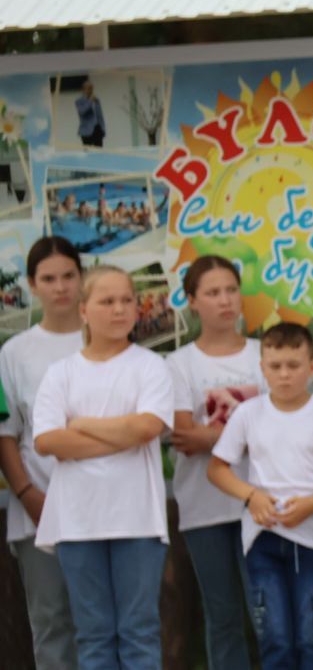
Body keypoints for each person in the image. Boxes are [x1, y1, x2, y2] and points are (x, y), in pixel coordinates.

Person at [33, 265, 174, 669]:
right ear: (83, 310)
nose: (119, 309)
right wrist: (120, 434)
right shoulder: (61, 373)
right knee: (93, 634)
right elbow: (48, 441)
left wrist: (82, 426)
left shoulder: (150, 366)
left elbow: (147, 427)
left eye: (127, 300)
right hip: (77, 520)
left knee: (139, 632)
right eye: (107, 301)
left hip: (138, 519)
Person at [208, 323, 313, 670]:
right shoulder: (248, 413)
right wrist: (252, 496)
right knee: (276, 639)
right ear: (262, 368)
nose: (284, 374)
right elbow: (217, 468)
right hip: (262, 537)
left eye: (294, 365)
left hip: (312, 540)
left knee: (310, 637)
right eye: (275, 366)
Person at [168, 256, 265, 670]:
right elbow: (183, 437)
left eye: (230, 289)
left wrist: (215, 435)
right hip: (203, 509)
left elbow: (288, 430)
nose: (225, 300)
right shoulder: (178, 364)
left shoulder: (267, 354)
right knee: (222, 618)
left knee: (268, 616)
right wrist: (252, 431)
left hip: (264, 505)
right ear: (192, 301)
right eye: (212, 292)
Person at [0, 237, 84, 668]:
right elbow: (6, 433)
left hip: (104, 511)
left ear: (81, 277)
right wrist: (28, 493)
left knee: (104, 624)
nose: (60, 287)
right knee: (51, 621)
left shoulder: (107, 339)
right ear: (32, 285)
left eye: (68, 275)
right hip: (39, 507)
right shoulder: (14, 353)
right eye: (48, 279)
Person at [75, 83, 106, 148]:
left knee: (99, 151)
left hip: (97, 129)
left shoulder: (96, 100)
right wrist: (90, 101)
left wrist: (103, 128)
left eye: (91, 88)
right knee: (88, 152)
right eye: (88, 88)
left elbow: (100, 115)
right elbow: (82, 111)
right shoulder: (79, 101)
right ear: (83, 90)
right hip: (86, 131)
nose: (90, 90)